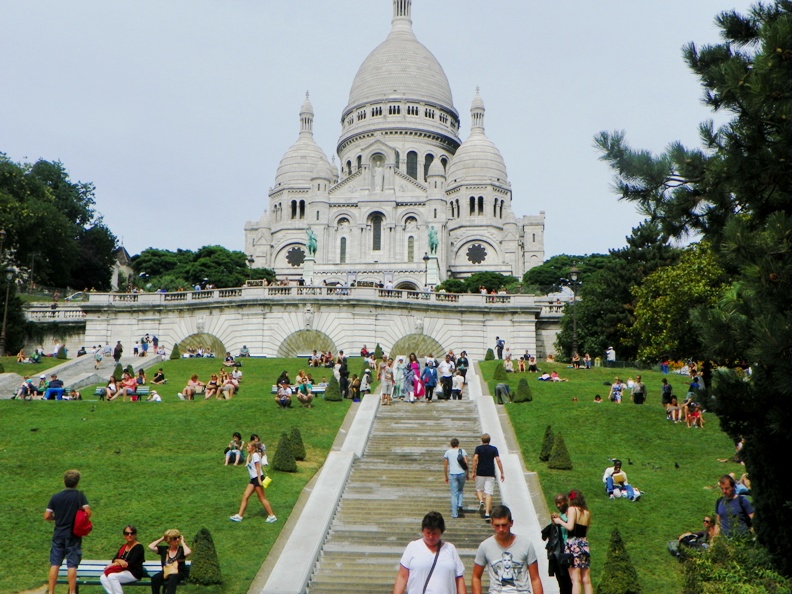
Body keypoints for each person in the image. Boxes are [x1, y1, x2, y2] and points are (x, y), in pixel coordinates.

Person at [472, 505, 544, 594]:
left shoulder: (526, 544)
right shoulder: (485, 546)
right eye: (497, 526)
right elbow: (476, 576)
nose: (501, 529)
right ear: (492, 524)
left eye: (504, 525)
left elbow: (535, 578)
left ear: (511, 523)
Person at [392, 511, 466, 594]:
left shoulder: (450, 549)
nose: (430, 537)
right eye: (428, 533)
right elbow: (402, 576)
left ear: (441, 532)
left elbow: (459, 579)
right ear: (422, 530)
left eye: (434, 533)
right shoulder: (413, 547)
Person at [45, 469, 92, 594]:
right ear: (77, 482)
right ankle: (72, 592)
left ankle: (51, 591)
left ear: (64, 481)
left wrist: (57, 517)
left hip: (58, 534)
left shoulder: (56, 497)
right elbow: (88, 512)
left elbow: (47, 515)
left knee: (55, 563)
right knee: (72, 565)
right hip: (73, 535)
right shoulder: (79, 496)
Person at [552, 490, 592, 594]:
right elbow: (586, 530)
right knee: (586, 580)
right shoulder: (587, 512)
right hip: (584, 543)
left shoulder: (572, 509)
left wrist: (559, 521)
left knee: (575, 580)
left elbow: (570, 527)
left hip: (573, 544)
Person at [230, 442, 277, 523]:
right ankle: (239, 516)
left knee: (261, 498)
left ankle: (272, 516)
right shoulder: (250, 455)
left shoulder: (255, 455)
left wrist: (259, 480)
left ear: (252, 448)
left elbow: (258, 468)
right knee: (245, 496)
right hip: (253, 479)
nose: (247, 447)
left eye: (248, 446)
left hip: (257, 479)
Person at [100, 525, 147, 593]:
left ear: (135, 534)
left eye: (132, 533)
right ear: (124, 535)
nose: (129, 535)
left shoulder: (139, 547)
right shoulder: (124, 546)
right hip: (122, 570)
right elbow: (114, 560)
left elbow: (131, 563)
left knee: (112, 576)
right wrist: (119, 561)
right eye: (127, 533)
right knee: (103, 577)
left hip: (133, 572)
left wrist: (120, 562)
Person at [472, 434, 504, 520]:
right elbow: (498, 460)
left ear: (482, 440)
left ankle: (481, 501)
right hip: (490, 473)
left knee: (479, 490)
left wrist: (473, 471)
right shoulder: (494, 449)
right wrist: (502, 472)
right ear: (489, 440)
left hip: (480, 472)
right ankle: (487, 513)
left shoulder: (478, 448)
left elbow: (475, 459)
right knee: (489, 493)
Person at [443, 438, 469, 519]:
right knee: (460, 489)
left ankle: (455, 514)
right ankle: (460, 504)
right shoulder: (462, 451)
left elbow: (445, 465)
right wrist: (467, 474)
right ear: (458, 444)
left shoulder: (448, 452)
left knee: (454, 494)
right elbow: (466, 463)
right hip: (462, 473)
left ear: (451, 444)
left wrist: (446, 476)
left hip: (453, 474)